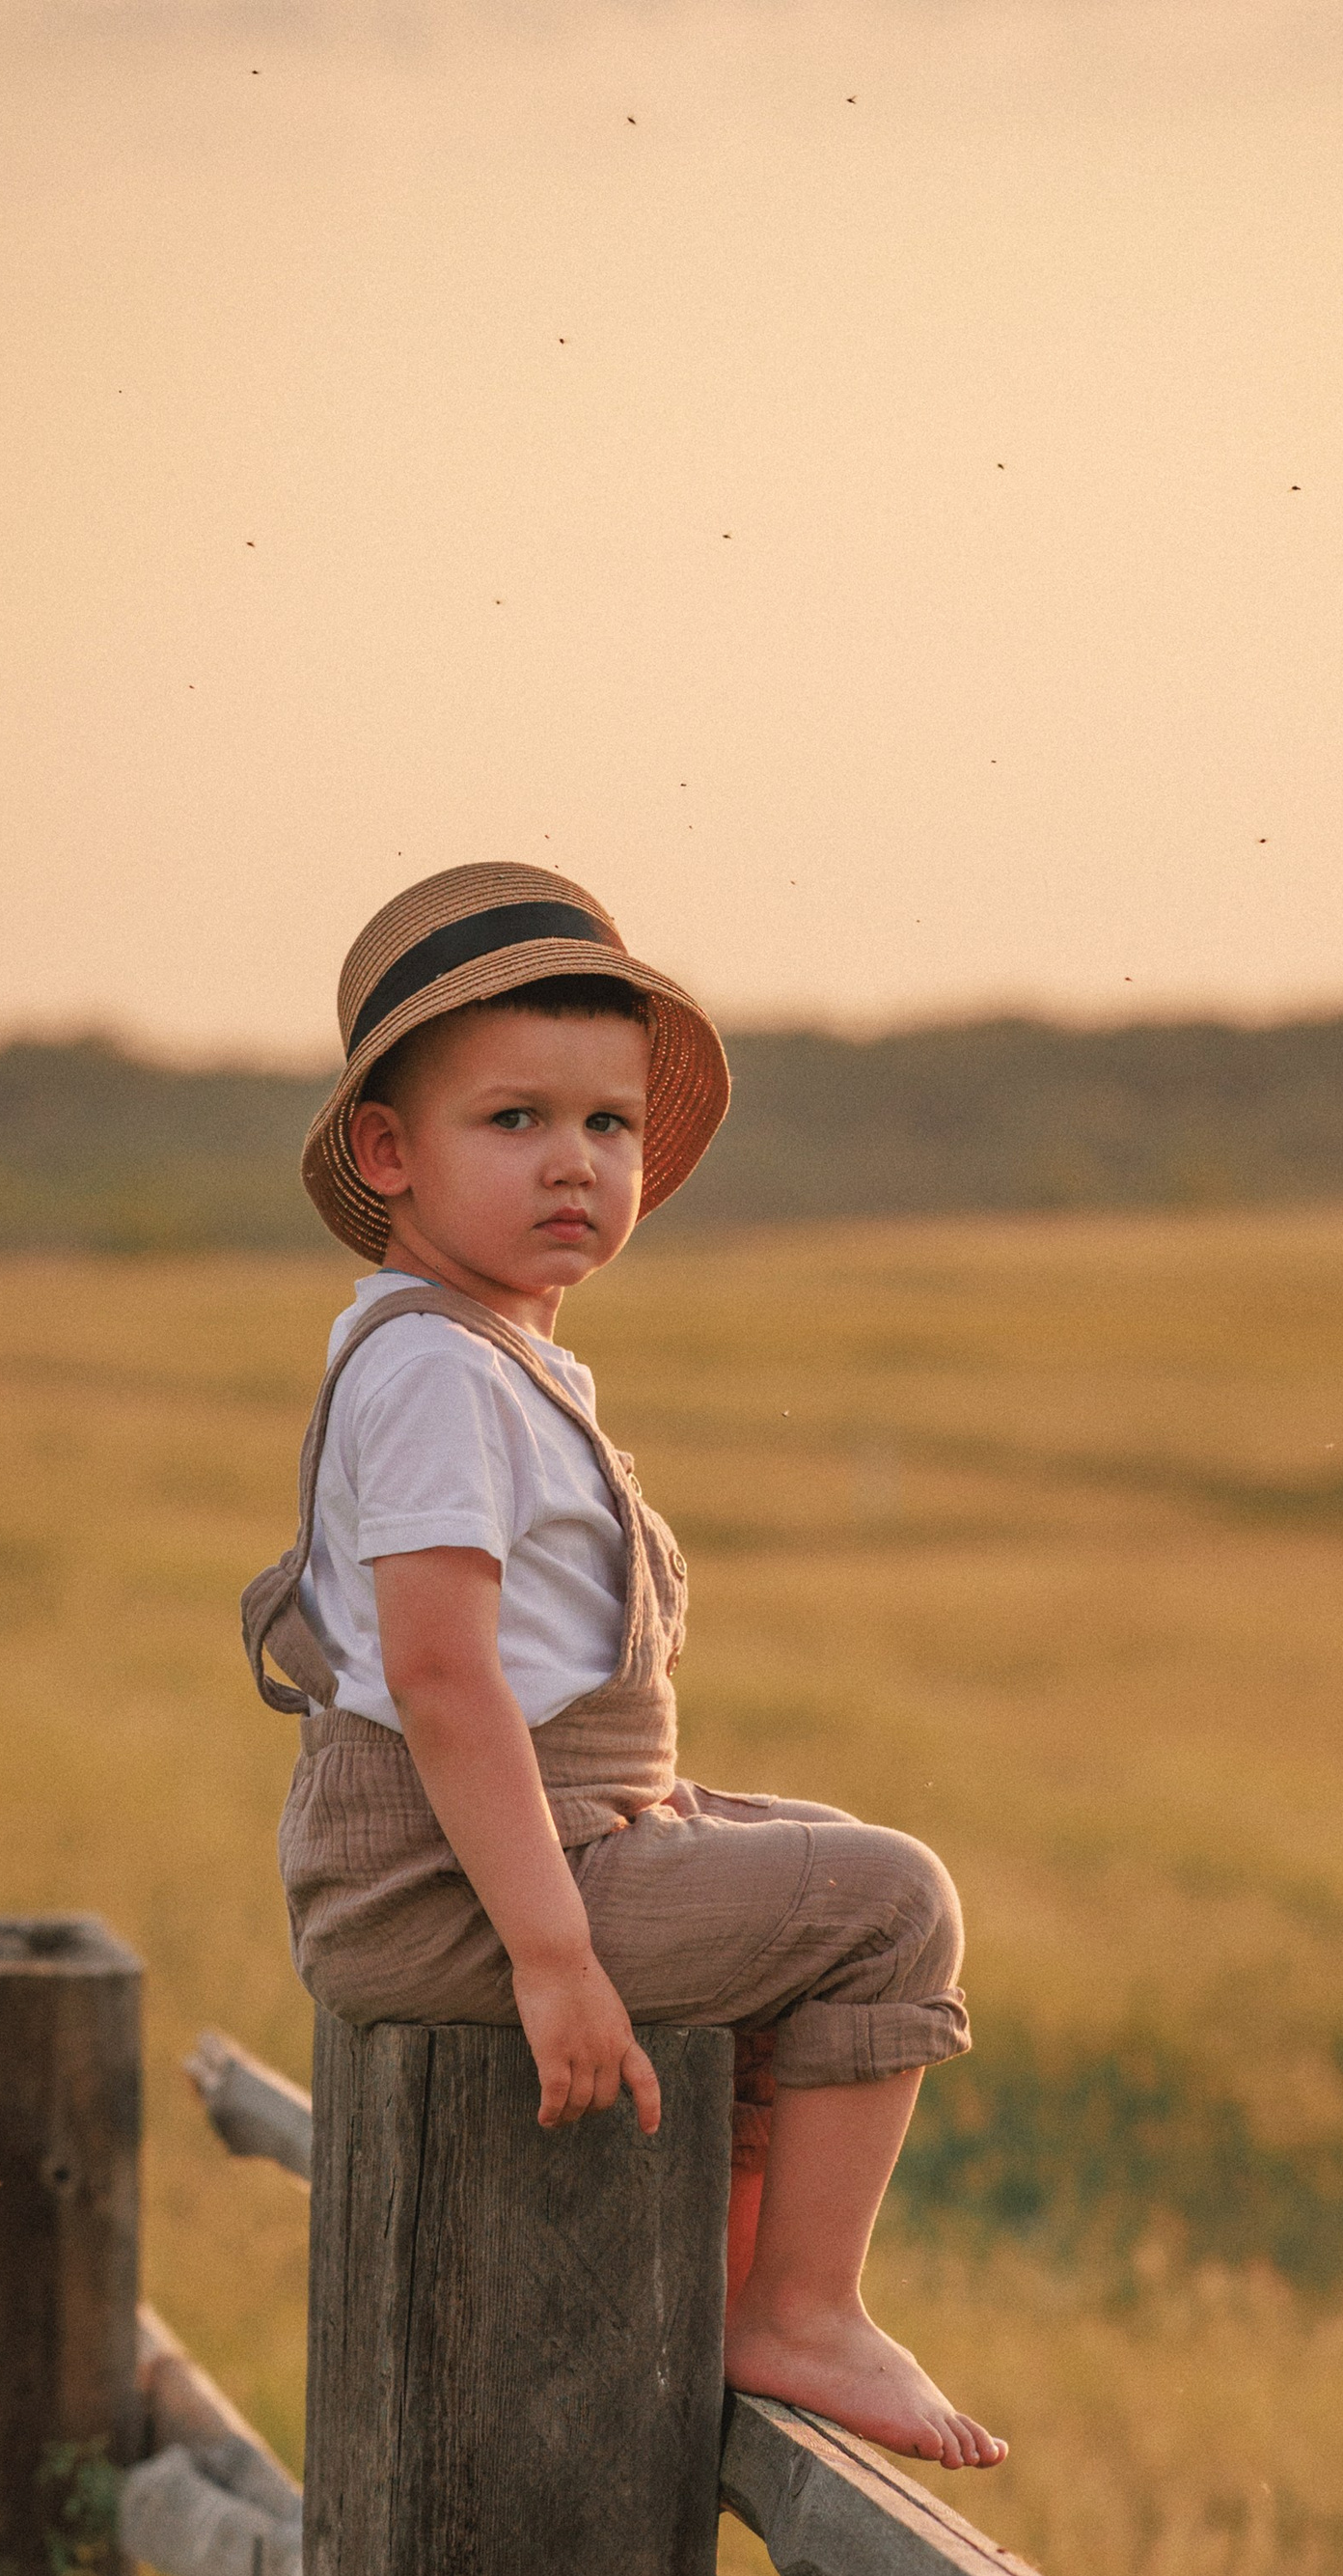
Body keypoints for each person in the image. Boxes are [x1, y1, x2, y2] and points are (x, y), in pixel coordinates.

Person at [244, 863, 1003, 2470]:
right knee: (887, 1906)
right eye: (513, 1120)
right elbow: (446, 1685)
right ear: (389, 1151)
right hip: (450, 1890)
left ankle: (730, 2293)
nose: (573, 1162)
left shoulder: (486, 1351)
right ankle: (795, 2307)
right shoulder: (440, 1373)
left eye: (608, 1126)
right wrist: (551, 1954)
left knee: (788, 1850)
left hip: (513, 1844)